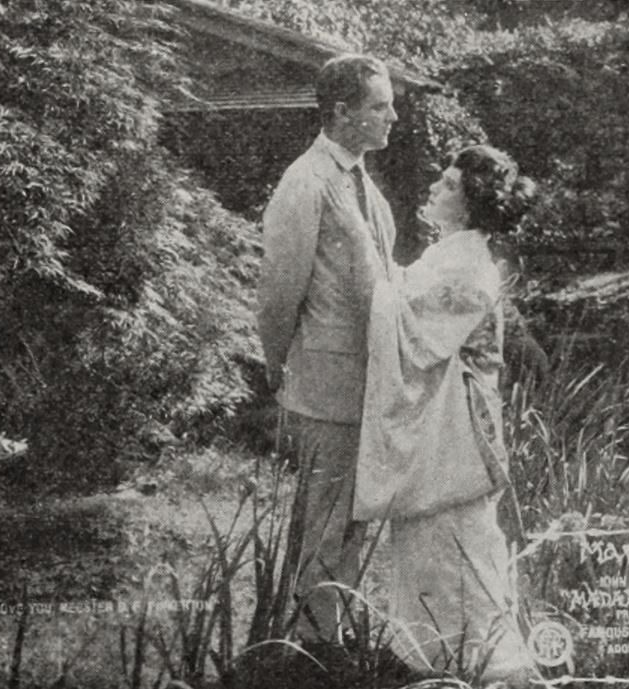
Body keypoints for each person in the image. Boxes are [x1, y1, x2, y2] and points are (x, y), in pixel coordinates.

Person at [328, 144, 539, 684]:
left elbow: (409, 329)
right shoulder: (452, 253)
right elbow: (404, 303)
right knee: (434, 544)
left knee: (457, 542)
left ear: (470, 205)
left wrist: (361, 247)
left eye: (447, 185)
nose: (433, 189)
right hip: (443, 423)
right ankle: (438, 661)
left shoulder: (468, 264)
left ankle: (488, 666)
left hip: (458, 431)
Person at [256, 53, 398, 642]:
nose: (392, 116)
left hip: (369, 382)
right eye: (379, 105)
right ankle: (311, 651)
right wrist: (275, 363)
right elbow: (278, 293)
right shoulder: (306, 182)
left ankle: (331, 639)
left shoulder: (361, 180)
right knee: (324, 522)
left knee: (351, 523)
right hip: (325, 386)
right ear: (341, 112)